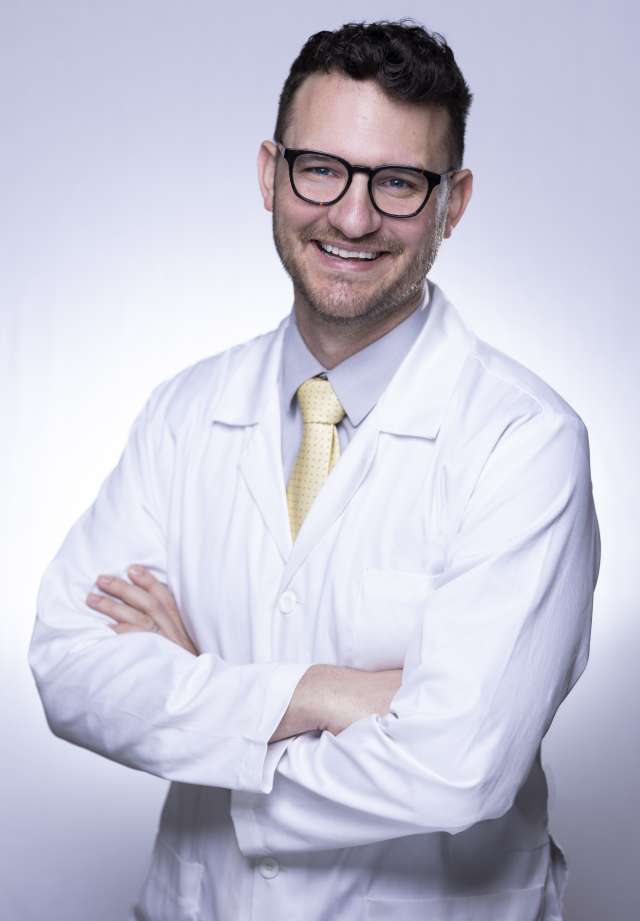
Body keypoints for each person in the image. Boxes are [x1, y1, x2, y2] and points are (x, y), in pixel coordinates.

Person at [29, 20, 600, 921]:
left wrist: (203, 692)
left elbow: (458, 768)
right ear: (270, 174)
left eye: (400, 182)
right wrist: (323, 692)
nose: (353, 215)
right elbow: (71, 665)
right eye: (321, 168)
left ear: (454, 203)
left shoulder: (525, 443)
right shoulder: (185, 413)